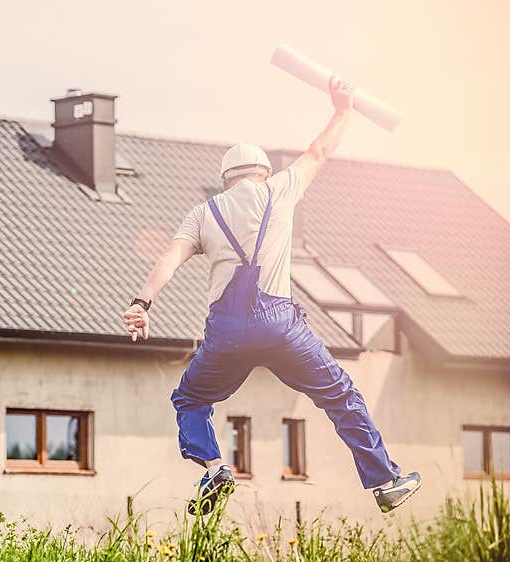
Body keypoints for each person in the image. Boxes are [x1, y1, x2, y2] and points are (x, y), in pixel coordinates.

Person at [122, 77, 421, 515]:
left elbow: (169, 258)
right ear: (262, 171)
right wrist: (342, 110)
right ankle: (386, 481)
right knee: (340, 396)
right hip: (281, 327)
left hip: (226, 334)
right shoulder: (279, 190)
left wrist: (142, 304)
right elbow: (319, 151)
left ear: (226, 180)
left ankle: (214, 469)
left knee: (190, 398)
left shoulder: (204, 213)